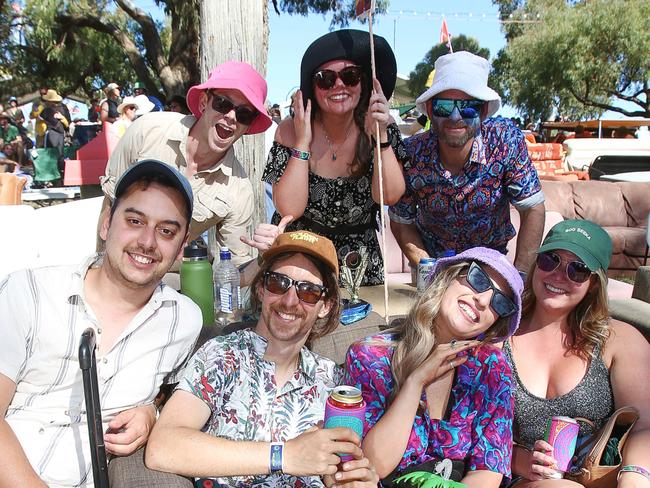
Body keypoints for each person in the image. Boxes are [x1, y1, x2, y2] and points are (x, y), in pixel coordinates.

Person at [0, 159, 203, 487]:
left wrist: (152, 412)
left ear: (181, 247)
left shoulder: (183, 321)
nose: (147, 242)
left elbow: (171, 391)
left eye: (166, 231)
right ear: (107, 223)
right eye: (135, 220)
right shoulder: (29, 291)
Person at [142, 230, 379, 487]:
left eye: (308, 291)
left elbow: (347, 466)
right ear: (261, 289)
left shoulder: (333, 382)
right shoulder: (223, 356)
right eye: (278, 283)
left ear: (325, 306)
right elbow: (163, 446)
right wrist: (284, 455)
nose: (290, 300)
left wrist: (350, 479)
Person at [346, 247, 523, 487]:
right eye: (478, 279)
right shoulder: (371, 356)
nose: (482, 300)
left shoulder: (491, 368)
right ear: (449, 277)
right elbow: (372, 465)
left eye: (500, 303)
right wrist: (415, 383)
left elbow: (488, 471)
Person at [503, 219, 650, 487]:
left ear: (594, 284)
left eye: (578, 270)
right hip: (518, 478)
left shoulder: (619, 341)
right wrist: (518, 459)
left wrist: (634, 477)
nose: (559, 276)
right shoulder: (500, 335)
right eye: (551, 260)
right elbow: (467, 423)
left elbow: (645, 425)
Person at [261, 29, 408, 285]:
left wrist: (380, 137)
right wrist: (302, 142)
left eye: (350, 76)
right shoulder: (289, 130)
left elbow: (390, 195)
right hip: (301, 258)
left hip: (359, 263)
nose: (339, 85)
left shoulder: (380, 125)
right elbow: (288, 209)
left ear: (363, 83)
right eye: (326, 78)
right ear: (312, 87)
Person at [389, 51, 545, 275]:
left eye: (468, 106)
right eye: (444, 106)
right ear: (431, 111)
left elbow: (533, 209)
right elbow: (400, 220)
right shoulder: (411, 153)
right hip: (433, 270)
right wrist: (431, 270)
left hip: (491, 270)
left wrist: (519, 279)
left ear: (482, 111)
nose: (455, 116)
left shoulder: (505, 141)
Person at [100, 61, 272, 264]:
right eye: (223, 104)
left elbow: (234, 266)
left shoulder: (239, 190)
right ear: (203, 102)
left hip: (173, 279)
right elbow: (109, 205)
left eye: (244, 114)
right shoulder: (146, 131)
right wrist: (101, 271)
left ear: (248, 125)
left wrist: (267, 257)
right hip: (118, 265)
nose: (232, 116)